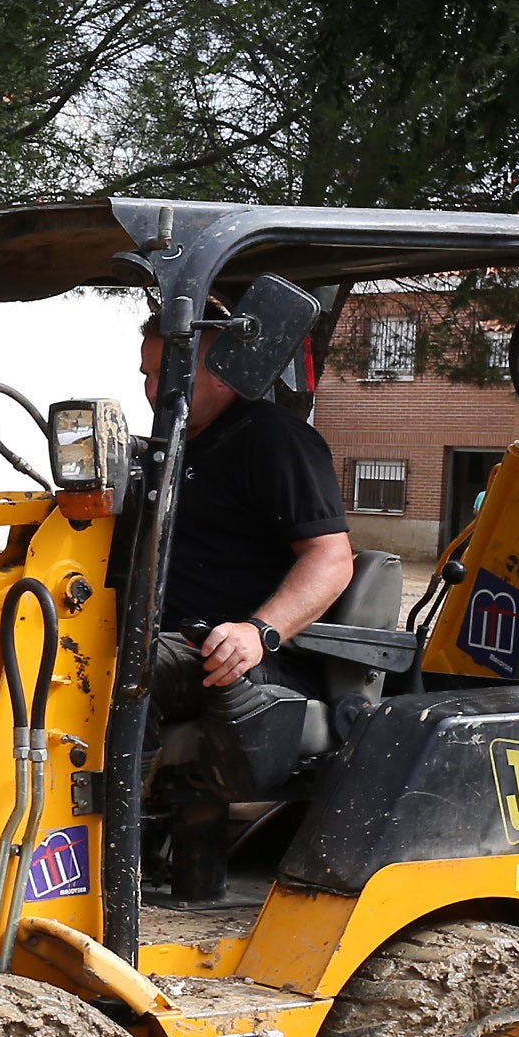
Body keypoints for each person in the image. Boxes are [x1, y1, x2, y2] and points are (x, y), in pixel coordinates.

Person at [140, 325, 356, 899]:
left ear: (221, 373)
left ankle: (101, 854)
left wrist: (262, 630)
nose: (152, 390)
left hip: (244, 655)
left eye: (166, 375)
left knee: (116, 672)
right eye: (147, 375)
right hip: (175, 641)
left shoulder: (273, 440)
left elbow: (332, 560)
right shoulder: (173, 451)